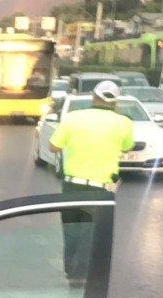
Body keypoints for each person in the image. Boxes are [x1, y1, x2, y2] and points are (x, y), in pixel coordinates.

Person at [48, 80, 133, 284]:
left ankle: (72, 273)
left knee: (71, 230)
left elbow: (53, 147)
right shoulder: (123, 122)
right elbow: (127, 146)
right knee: (91, 232)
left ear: (93, 97)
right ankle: (82, 276)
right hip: (101, 190)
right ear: (115, 102)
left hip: (71, 186)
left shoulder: (72, 118)